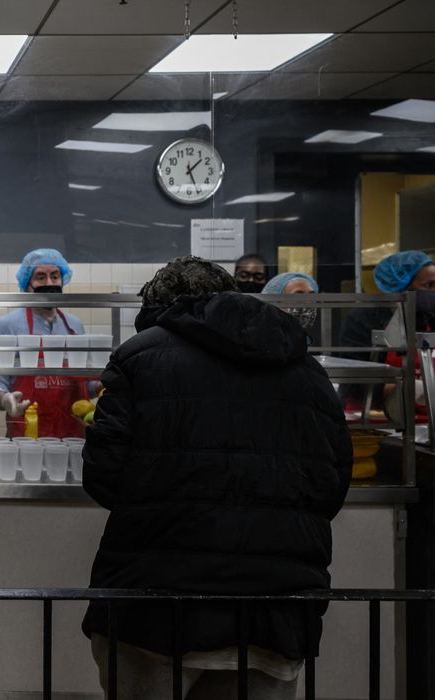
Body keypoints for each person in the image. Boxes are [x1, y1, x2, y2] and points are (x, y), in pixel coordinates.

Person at [81, 256, 352, 699]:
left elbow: (103, 476)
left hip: (155, 605)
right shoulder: (307, 367)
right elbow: (333, 482)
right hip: (276, 608)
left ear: (155, 311)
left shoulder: (139, 356)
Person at [0, 248, 86, 438]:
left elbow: (82, 382)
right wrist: (5, 399)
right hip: (26, 436)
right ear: (27, 284)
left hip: (71, 437)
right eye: (41, 277)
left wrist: (104, 385)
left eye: (55, 276)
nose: (49, 283)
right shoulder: (8, 325)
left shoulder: (75, 325)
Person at [339, 250, 435, 421]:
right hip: (372, 418)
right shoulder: (364, 320)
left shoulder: (430, 318)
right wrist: (409, 389)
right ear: (403, 286)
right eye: (429, 285)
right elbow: (353, 381)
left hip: (422, 418)